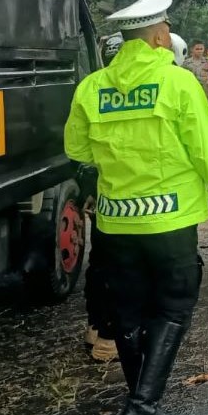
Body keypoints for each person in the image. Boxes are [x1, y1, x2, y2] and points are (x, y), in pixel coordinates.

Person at [64, 0, 208, 415]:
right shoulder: (177, 83)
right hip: (169, 225)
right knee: (173, 307)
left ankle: (140, 400)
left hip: (114, 224)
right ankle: (143, 410)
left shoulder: (91, 87)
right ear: (160, 36)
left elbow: (77, 150)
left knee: (128, 311)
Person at [81, 33, 125, 363]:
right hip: (133, 200)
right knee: (122, 268)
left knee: (99, 262)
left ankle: (96, 328)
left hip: (101, 192)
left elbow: (77, 149)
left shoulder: (90, 87)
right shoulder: (152, 89)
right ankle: (109, 337)